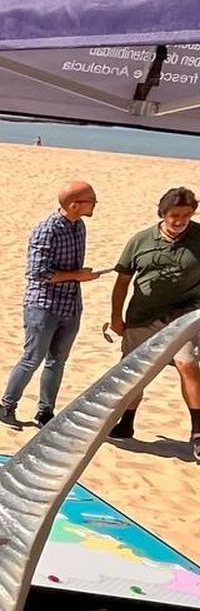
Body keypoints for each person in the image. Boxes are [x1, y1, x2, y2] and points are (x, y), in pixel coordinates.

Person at [0, 182, 101, 428]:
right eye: (91, 200)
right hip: (43, 306)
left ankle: (45, 411)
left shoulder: (79, 227)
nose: (95, 204)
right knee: (32, 358)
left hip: (71, 305)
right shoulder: (47, 229)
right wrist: (77, 275)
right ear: (74, 205)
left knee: (57, 361)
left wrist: (79, 276)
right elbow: (38, 273)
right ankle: (6, 406)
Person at [108, 186, 200, 452]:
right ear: (163, 214)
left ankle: (197, 433)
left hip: (185, 316)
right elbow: (122, 281)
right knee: (134, 371)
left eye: (186, 214)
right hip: (142, 316)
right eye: (174, 215)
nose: (180, 221)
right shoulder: (140, 240)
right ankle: (126, 424)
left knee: (188, 364)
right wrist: (116, 318)